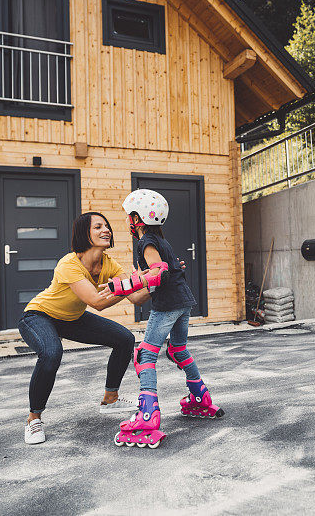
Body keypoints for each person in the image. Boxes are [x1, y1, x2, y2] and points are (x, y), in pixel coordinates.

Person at [18, 211, 150, 445]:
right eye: (98, 227)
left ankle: (110, 399)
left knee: (124, 339)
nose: (105, 230)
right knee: (51, 354)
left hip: (72, 318)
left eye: (106, 226)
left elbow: (137, 298)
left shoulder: (109, 264)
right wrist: (129, 285)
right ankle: (33, 418)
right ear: (84, 234)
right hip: (39, 315)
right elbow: (97, 302)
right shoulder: (69, 263)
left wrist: (155, 279)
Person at [112, 189, 224, 449]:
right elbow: (164, 269)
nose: (128, 221)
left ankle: (147, 418)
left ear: (138, 219)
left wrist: (123, 285)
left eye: (130, 216)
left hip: (168, 305)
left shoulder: (147, 242)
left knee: (145, 355)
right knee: (178, 350)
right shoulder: (161, 241)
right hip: (183, 302)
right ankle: (201, 399)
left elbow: (158, 272)